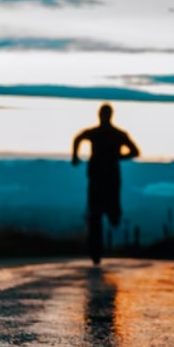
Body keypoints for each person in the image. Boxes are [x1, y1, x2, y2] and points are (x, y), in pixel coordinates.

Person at [72, 103, 140, 265]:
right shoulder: (116, 134)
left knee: (101, 212)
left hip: (102, 176)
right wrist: (118, 157)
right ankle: (96, 251)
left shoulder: (108, 134)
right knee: (96, 213)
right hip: (105, 176)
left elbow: (78, 138)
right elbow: (134, 151)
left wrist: (75, 156)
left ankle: (98, 246)